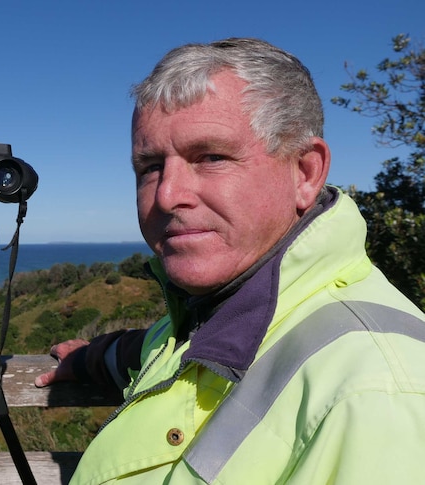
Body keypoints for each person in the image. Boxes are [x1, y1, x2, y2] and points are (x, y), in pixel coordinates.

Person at [35, 38, 425, 484]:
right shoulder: (207, 318)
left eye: (212, 157)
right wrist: (92, 357)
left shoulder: (378, 391)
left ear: (306, 173)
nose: (167, 194)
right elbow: (161, 352)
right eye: (150, 166)